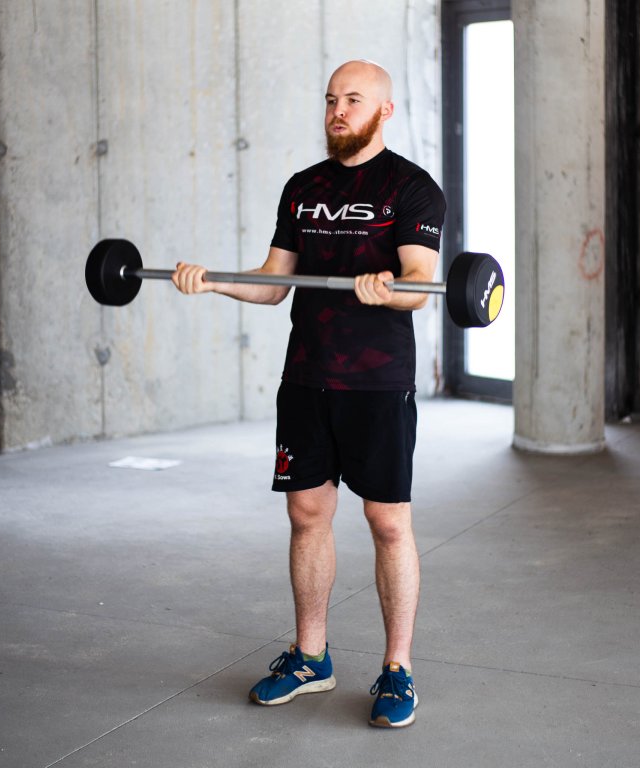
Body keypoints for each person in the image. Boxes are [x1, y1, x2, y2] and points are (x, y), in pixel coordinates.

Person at [171, 59, 445, 729]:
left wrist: (390, 289)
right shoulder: (304, 188)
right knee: (306, 515)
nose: (337, 111)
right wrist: (213, 280)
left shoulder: (412, 188)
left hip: (377, 383)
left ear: (384, 110)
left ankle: (398, 668)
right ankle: (311, 658)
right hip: (307, 378)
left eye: (352, 99)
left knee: (388, 522)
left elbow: (419, 280)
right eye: (330, 100)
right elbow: (273, 282)